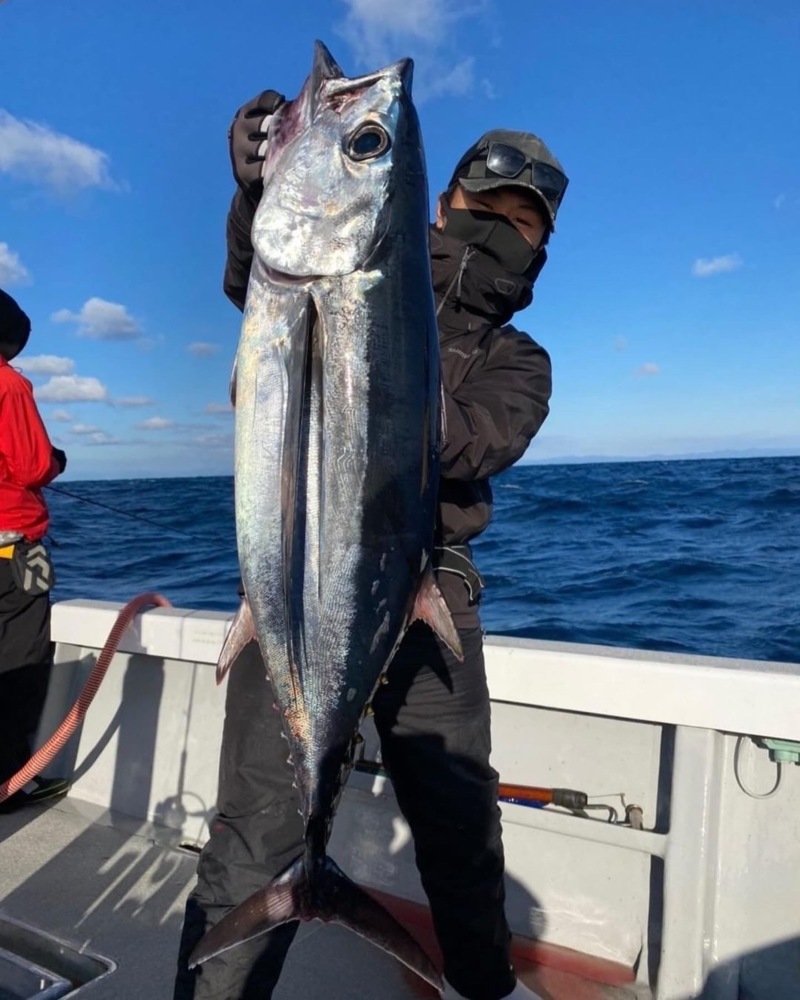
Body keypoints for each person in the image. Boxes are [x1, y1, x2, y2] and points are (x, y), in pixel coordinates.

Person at [174, 88, 568, 1000]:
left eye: (523, 223)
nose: (499, 230)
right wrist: (259, 192)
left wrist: (376, 352)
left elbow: (477, 442)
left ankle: (482, 987)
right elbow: (258, 279)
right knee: (256, 833)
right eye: (485, 206)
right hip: (293, 588)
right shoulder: (350, 272)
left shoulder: (518, 360)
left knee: (461, 829)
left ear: (541, 249)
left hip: (431, 595)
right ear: (442, 204)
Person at [0, 289, 69, 813]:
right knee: (19, 665)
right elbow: (33, 467)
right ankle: (10, 781)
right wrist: (55, 460)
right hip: (11, 552)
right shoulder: (9, 385)